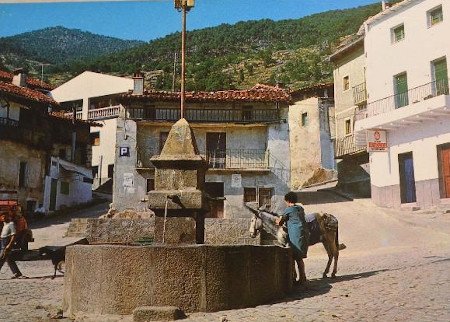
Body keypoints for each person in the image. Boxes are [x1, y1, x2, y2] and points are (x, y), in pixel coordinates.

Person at [275, 192, 309, 284]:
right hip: (303, 233)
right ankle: (302, 277)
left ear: (288, 201)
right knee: (299, 257)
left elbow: (280, 222)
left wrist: (277, 220)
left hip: (295, 234)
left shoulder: (288, 210)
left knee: (295, 257)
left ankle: (297, 278)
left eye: (286, 201)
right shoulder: (300, 208)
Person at [0, 211, 23, 278]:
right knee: (10, 259)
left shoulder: (11, 224)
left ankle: (17, 273)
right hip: (2, 242)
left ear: (8, 216)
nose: (3, 218)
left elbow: (13, 235)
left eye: (4, 216)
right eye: (2, 216)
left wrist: (9, 245)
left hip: (6, 243)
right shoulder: (4, 225)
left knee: (1, 258)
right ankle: (17, 273)